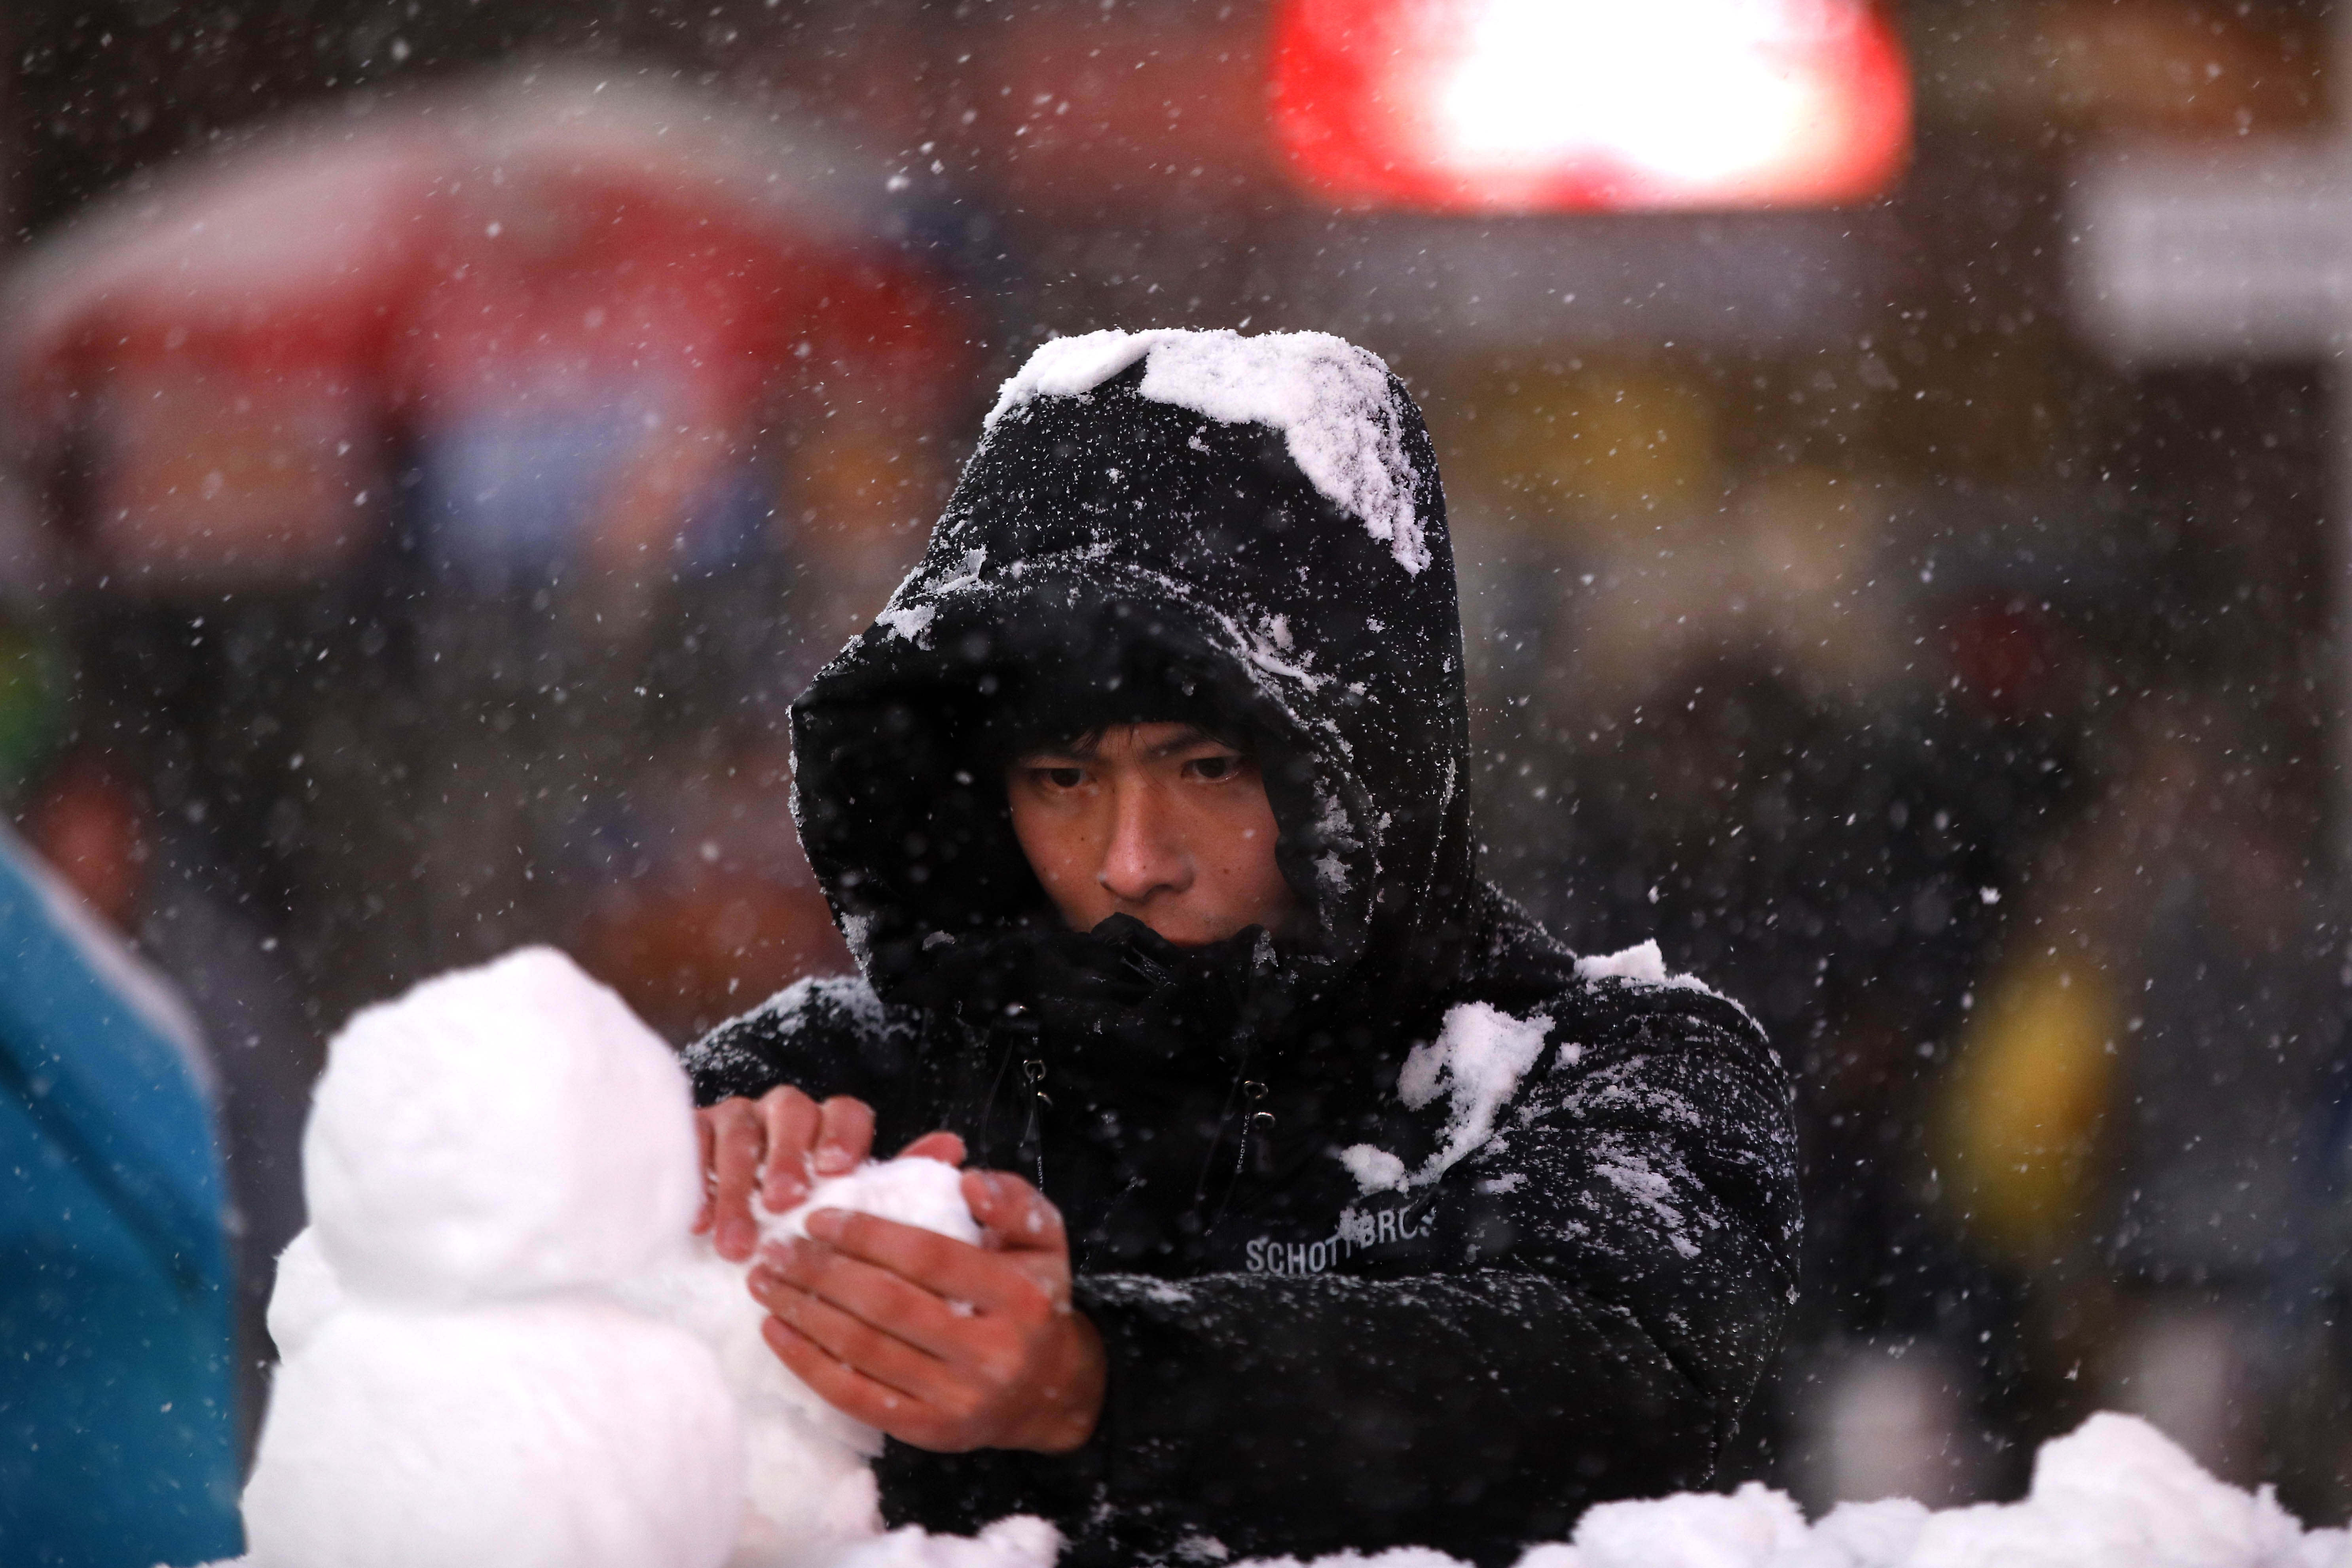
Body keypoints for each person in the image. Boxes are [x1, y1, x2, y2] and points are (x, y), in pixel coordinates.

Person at [686, 329, 1798, 1564]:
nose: (1131, 857)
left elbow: (1599, 1390)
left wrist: (1097, 1380)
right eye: (1063, 778)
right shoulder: (842, 1079)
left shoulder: (1613, 1072)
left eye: (1206, 766)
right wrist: (672, 1217)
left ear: (1367, 760)